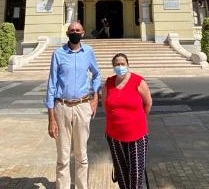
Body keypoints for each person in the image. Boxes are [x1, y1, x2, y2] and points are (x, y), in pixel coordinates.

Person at [46, 21, 101, 189]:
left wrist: (95, 98)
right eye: (72, 30)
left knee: (81, 154)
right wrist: (51, 119)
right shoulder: (58, 54)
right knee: (63, 157)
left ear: (83, 33)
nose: (75, 32)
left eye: (77, 30)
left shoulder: (89, 52)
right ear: (67, 33)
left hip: (82, 106)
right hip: (62, 107)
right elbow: (51, 85)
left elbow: (97, 74)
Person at [102, 53, 152, 189]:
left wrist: (137, 121)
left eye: (122, 64)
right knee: (121, 173)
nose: (120, 67)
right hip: (114, 136)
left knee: (135, 175)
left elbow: (148, 104)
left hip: (137, 136)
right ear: (113, 67)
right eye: (117, 64)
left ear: (128, 65)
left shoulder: (138, 81)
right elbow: (105, 105)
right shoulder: (108, 83)